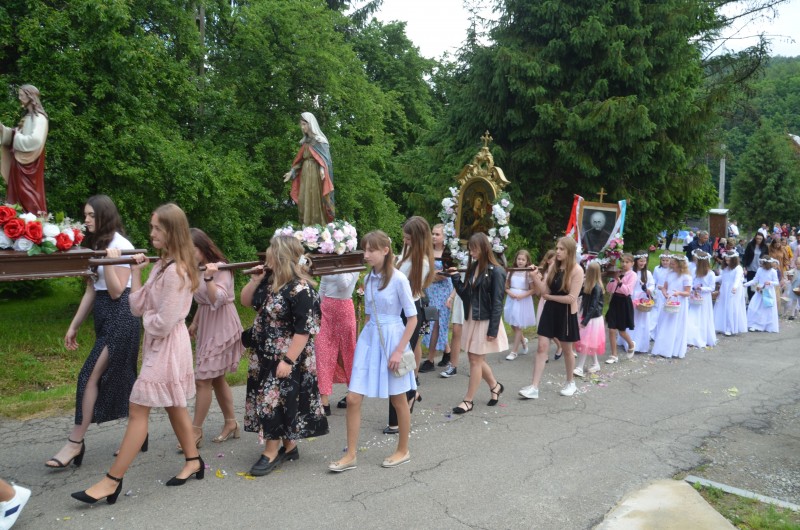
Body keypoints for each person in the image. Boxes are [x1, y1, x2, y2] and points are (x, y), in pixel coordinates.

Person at [72, 203, 202, 505]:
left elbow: (162, 323)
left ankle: (111, 481)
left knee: (138, 408)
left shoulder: (177, 271)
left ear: (172, 231)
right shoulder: (162, 265)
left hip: (169, 346)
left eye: (157, 228)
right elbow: (136, 305)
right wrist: (135, 272)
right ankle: (194, 460)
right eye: (151, 226)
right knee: (173, 405)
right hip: (159, 344)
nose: (151, 233)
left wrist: (148, 319)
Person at [47, 195, 140, 469]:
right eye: (85, 214)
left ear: (104, 216)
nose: (85, 219)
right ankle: (140, 432)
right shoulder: (96, 245)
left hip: (122, 315)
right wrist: (74, 325)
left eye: (90, 215)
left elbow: (116, 292)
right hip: (104, 316)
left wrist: (110, 264)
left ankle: (75, 442)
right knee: (125, 376)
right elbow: (91, 290)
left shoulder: (121, 246)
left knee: (88, 376)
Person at [328, 231, 417, 472]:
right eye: (364, 249)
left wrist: (398, 351)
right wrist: (361, 346)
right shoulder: (367, 280)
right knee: (353, 398)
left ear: (385, 250)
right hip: (370, 339)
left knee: (398, 399)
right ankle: (350, 455)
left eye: (371, 250)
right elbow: (368, 316)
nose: (366, 255)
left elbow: (412, 318)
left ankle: (403, 449)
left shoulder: (399, 279)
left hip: (393, 339)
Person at [239, 235, 328, 477]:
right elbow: (246, 301)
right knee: (274, 399)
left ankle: (270, 451)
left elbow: (304, 330)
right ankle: (289, 446)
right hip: (265, 355)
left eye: (271, 249)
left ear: (280, 255)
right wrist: (255, 280)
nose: (266, 252)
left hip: (288, 356)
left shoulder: (302, 289)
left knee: (273, 400)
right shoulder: (270, 282)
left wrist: (288, 360)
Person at [181, 228, 244, 450]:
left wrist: (209, 278)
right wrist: (196, 322)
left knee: (203, 379)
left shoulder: (221, 267)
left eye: (191, 249)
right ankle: (231, 422)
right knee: (216, 378)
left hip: (222, 324)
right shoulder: (198, 268)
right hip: (208, 323)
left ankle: (195, 430)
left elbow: (217, 299)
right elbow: (203, 302)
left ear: (203, 247)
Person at [447, 233, 509, 412]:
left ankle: (468, 400)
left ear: (483, 248)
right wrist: (455, 278)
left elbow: (498, 302)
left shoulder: (496, 271)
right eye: (470, 249)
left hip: (485, 320)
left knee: (475, 360)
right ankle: (495, 386)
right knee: (475, 358)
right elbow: (466, 295)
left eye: (474, 249)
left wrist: (493, 329)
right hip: (472, 317)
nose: (471, 252)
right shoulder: (473, 267)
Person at [519, 237, 584, 399]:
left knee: (567, 350)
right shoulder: (554, 266)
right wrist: (535, 276)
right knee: (541, 347)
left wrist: (550, 298)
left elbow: (571, 298)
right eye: (557, 248)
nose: (558, 251)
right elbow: (544, 291)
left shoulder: (577, 270)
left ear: (570, 251)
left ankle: (570, 382)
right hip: (550, 310)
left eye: (562, 249)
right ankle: (534, 387)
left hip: (566, 313)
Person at [385, 217, 432, 433]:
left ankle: (396, 418)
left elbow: (405, 290)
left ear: (418, 238)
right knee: (397, 360)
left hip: (409, 311)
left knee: (399, 360)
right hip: (399, 310)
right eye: (404, 236)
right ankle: (411, 394)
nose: (404, 240)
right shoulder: (407, 252)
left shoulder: (422, 262)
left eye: (408, 237)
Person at [315, 271, 359, 415]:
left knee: (347, 353)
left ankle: (354, 392)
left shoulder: (352, 264)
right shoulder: (330, 262)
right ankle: (324, 400)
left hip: (344, 310)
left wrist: (340, 265)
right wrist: (317, 311)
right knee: (322, 352)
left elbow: (343, 285)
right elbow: (323, 287)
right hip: (326, 310)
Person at [0, 85, 48, 214]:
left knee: (29, 195)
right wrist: (3, 130)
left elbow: (36, 140)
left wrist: (16, 137)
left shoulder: (40, 119)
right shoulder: (28, 117)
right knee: (17, 194)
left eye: (22, 95)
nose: (19, 98)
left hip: (30, 165)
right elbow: (16, 134)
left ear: (30, 97)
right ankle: (16, 219)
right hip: (20, 163)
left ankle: (32, 220)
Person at [282, 112, 334, 225]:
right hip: (305, 174)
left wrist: (322, 169)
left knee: (315, 198)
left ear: (311, 124)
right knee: (304, 198)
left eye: (304, 124)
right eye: (301, 124)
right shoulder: (305, 143)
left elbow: (326, 161)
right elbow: (300, 161)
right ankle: (306, 225)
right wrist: (291, 172)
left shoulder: (320, 141)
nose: (302, 127)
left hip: (316, 175)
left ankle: (318, 225)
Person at [421, 224, 453, 369]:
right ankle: (447, 352)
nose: (434, 236)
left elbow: (448, 274)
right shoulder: (427, 251)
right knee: (430, 321)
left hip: (444, 291)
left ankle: (430, 360)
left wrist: (433, 275)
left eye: (437, 234)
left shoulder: (449, 253)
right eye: (432, 233)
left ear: (445, 237)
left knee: (437, 324)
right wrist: (431, 276)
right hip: (430, 290)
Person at [651, 255, 691, 358]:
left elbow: (687, 292)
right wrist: (665, 293)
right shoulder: (669, 274)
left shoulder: (686, 277)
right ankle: (662, 348)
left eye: (673, 263)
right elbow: (665, 288)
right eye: (671, 263)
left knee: (676, 325)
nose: (671, 264)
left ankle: (673, 349)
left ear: (680, 264)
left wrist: (679, 293)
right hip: (669, 301)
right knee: (665, 323)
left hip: (679, 302)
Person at [618, 251, 655, 353]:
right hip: (631, 297)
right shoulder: (631, 273)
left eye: (644, 261)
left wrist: (649, 289)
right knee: (631, 319)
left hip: (642, 300)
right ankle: (627, 342)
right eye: (640, 261)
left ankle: (640, 345)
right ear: (636, 261)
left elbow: (652, 285)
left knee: (641, 322)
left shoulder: (647, 273)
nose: (642, 263)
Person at [573, 261, 605, 377]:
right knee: (590, 341)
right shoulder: (589, 285)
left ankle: (580, 367)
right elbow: (579, 294)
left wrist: (585, 321)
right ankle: (596, 364)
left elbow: (593, 306)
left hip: (592, 319)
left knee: (585, 343)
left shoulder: (596, 287)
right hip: (588, 317)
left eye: (587, 271)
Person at [604, 253, 637, 363]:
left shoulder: (633, 275)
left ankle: (631, 344)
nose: (624, 264)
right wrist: (613, 280)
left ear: (632, 263)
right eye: (622, 261)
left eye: (627, 262)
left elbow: (627, 291)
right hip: (615, 301)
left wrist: (620, 282)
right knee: (611, 329)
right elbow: (609, 289)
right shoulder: (618, 273)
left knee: (622, 331)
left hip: (624, 302)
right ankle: (614, 355)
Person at [503, 249, 535, 361]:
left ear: (527, 261)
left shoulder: (528, 273)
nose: (520, 261)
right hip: (512, 298)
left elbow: (533, 289)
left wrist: (522, 295)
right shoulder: (511, 271)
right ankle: (524, 342)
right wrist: (510, 292)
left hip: (522, 299)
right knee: (513, 324)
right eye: (519, 259)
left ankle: (514, 351)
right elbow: (506, 286)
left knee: (518, 325)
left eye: (523, 259)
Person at [535, 250, 563, 360]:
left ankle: (560, 346)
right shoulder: (543, 273)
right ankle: (544, 354)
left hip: (552, 301)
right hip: (543, 301)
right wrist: (536, 279)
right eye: (553, 259)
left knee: (551, 329)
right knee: (542, 328)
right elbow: (538, 292)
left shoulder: (558, 273)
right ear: (548, 260)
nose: (556, 261)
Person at [686, 251, 717, 348]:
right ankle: (690, 338)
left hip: (705, 298)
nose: (695, 262)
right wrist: (693, 288)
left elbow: (712, 288)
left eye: (697, 261)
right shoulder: (694, 270)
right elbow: (691, 282)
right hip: (695, 296)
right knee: (692, 316)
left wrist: (702, 288)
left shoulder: (710, 274)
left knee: (702, 317)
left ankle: (701, 337)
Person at [713, 251, 748, 337]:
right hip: (724, 289)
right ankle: (721, 326)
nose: (727, 262)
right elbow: (722, 277)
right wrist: (710, 278)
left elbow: (737, 279)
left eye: (729, 260)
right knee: (722, 306)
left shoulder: (738, 268)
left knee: (731, 307)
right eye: (726, 260)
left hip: (734, 290)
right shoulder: (725, 268)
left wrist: (735, 287)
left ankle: (730, 328)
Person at [744, 258, 780, 333]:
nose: (761, 264)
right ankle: (754, 324)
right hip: (759, 290)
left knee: (765, 309)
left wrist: (770, 282)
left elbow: (776, 282)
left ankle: (764, 325)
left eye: (763, 263)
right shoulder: (760, 270)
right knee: (754, 307)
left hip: (768, 292)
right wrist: (745, 284)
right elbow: (755, 280)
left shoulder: (773, 271)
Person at [650, 254, 671, 338]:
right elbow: (654, 280)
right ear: (660, 260)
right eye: (663, 260)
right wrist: (654, 289)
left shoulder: (671, 270)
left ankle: (662, 333)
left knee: (664, 312)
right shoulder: (657, 269)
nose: (665, 262)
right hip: (658, 293)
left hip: (666, 293)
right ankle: (652, 332)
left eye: (667, 260)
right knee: (655, 312)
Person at [743, 233, 769, 301]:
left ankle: (757, 301)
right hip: (750, 268)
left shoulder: (765, 247)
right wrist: (744, 267)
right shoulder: (750, 245)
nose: (758, 240)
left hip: (760, 269)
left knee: (759, 285)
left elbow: (767, 257)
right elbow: (745, 256)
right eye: (757, 238)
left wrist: (766, 267)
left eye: (760, 239)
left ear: (762, 239)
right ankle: (750, 300)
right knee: (750, 286)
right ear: (755, 238)